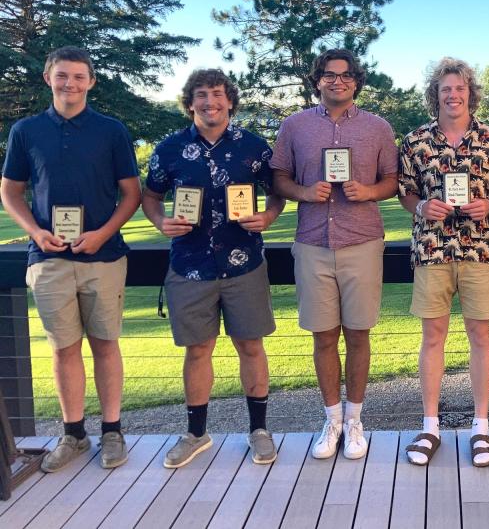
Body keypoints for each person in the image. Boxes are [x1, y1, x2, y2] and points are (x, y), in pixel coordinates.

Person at [1, 46, 141, 472]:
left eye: (79, 77)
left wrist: (102, 234)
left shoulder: (111, 130)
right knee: (63, 349)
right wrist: (36, 232)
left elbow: (131, 193)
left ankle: (112, 431)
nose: (70, 84)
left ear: (91, 82)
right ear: (48, 78)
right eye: (62, 76)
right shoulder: (26, 131)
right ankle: (74, 435)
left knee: (105, 345)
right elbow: (10, 191)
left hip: (104, 256)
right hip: (47, 258)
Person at [142, 69, 283, 467]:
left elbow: (278, 194)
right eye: (202, 95)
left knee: (251, 346)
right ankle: (196, 434)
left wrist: (269, 217)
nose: (210, 102)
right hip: (190, 266)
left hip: (245, 265)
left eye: (218, 95)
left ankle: (258, 430)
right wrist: (159, 222)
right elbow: (150, 196)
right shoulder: (169, 149)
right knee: (198, 350)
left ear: (230, 101)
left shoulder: (254, 147)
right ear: (190, 102)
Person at [271, 49, 398, 460]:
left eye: (345, 75)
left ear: (357, 81)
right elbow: (279, 178)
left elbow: (393, 180)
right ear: (318, 81)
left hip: (361, 240)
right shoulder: (295, 127)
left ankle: (356, 420)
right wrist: (305, 192)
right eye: (329, 75)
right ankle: (332, 421)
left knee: (358, 334)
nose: (337, 81)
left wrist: (370, 191)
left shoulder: (378, 128)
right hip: (312, 242)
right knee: (324, 336)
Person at [398, 58, 489, 467]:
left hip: (479, 249)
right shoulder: (415, 141)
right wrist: (423, 205)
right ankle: (430, 426)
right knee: (432, 337)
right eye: (446, 89)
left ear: (470, 92)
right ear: (436, 94)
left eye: (459, 88)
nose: (453, 95)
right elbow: (405, 193)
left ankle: (482, 428)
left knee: (481, 337)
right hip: (432, 250)